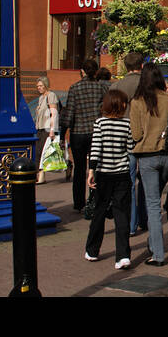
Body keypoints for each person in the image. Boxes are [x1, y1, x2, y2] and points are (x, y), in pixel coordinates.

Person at [127, 64, 168, 267]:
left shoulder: (137, 101)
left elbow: (135, 135)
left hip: (147, 155)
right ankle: (153, 244)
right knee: (155, 200)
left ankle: (158, 254)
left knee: (152, 204)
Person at [85, 88, 137, 268]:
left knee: (99, 212)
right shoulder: (127, 124)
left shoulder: (100, 123)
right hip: (122, 173)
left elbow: (96, 148)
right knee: (121, 214)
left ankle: (92, 250)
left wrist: (91, 171)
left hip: (103, 173)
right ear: (121, 105)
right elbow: (130, 148)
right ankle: (123, 256)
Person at [60, 59, 110, 212]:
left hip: (78, 133)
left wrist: (62, 134)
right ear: (95, 72)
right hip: (96, 132)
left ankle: (78, 202)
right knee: (95, 167)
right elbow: (105, 110)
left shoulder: (75, 88)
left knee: (80, 168)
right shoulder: (101, 88)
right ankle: (94, 199)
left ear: (82, 71)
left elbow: (69, 114)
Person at [33, 77, 60, 185]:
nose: (38, 88)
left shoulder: (51, 96)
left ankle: (41, 176)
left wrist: (52, 130)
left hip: (48, 128)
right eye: (37, 86)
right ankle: (68, 165)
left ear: (46, 85)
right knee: (39, 151)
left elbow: (54, 113)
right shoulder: (41, 98)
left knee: (42, 152)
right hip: (40, 128)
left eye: (40, 86)